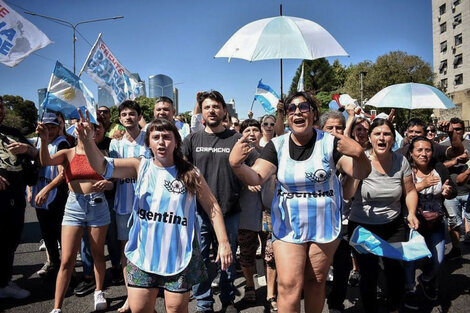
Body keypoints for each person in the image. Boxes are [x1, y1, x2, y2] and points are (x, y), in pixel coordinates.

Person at [229, 91, 371, 313]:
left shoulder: (331, 143)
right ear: (286, 118)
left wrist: (360, 154)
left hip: (323, 226)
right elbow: (256, 176)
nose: (297, 112)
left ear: (313, 114)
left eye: (303, 107)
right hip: (288, 227)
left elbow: (361, 172)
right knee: (287, 286)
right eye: (291, 109)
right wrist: (237, 165)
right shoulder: (276, 145)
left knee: (315, 282)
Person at [76, 114, 233, 313]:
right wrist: (88, 140)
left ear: (176, 142)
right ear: (148, 142)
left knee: (176, 309)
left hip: (178, 255)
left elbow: (212, 207)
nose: (161, 142)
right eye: (156, 137)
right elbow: (102, 166)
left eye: (167, 137)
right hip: (143, 254)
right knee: (139, 308)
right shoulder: (139, 166)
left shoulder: (190, 173)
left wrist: (224, 242)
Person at [183, 90, 256, 313]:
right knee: (202, 260)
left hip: (230, 210)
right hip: (199, 212)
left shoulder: (236, 138)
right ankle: (204, 303)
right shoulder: (192, 139)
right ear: (202, 112)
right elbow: (181, 169)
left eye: (216, 106)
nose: (212, 110)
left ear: (224, 110)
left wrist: (250, 180)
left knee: (228, 260)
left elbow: (255, 167)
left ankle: (227, 299)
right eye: (207, 107)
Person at [37, 118, 113, 313]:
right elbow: (45, 161)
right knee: (67, 259)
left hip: (98, 205)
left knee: (97, 254)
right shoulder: (67, 153)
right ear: (75, 132)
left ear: (95, 132)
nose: (85, 131)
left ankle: (98, 291)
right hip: (74, 206)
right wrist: (44, 141)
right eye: (80, 128)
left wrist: (108, 184)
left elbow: (113, 180)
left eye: (90, 128)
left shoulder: (102, 154)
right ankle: (57, 307)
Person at [346, 118, 419, 313]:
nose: (382, 137)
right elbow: (347, 195)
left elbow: (410, 191)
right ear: (370, 138)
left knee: (396, 271)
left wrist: (411, 213)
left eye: (386, 134)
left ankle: (394, 307)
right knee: (369, 274)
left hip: (393, 225)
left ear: (393, 140)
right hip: (362, 227)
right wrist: (357, 168)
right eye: (377, 133)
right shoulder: (362, 159)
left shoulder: (401, 161)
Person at [403, 136, 456, 310]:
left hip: (435, 223)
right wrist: (422, 185)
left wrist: (448, 191)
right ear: (411, 152)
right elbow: (399, 194)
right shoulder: (406, 170)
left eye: (428, 150)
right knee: (410, 259)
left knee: (439, 259)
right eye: (419, 150)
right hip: (413, 224)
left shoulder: (439, 168)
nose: (424, 154)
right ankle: (409, 290)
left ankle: (425, 280)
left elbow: (451, 189)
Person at [110, 100, 148, 312]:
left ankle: (150, 289)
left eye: (132, 113)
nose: (128, 117)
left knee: (148, 247)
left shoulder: (149, 138)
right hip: (123, 205)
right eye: (124, 114)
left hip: (147, 204)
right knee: (127, 251)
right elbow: (114, 171)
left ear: (138, 115)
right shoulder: (115, 143)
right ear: (120, 119)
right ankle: (130, 296)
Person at [0, 96, 38, 299]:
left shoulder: (14, 133)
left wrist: (28, 149)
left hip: (15, 196)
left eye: (1, 107)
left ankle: (4, 283)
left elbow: (37, 156)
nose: (0, 111)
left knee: (10, 240)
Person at [29, 112, 69, 278]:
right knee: (47, 234)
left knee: (61, 234)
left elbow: (63, 173)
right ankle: (53, 263)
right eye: (47, 127)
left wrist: (47, 189)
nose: (50, 131)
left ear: (59, 127)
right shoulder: (38, 142)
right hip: (40, 197)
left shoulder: (62, 144)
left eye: (53, 127)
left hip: (55, 197)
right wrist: (31, 189)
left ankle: (68, 271)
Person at [441, 117, 470, 260]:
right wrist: (455, 161)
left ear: (463, 130)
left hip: (468, 191)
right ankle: (457, 248)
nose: (456, 131)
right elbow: (438, 167)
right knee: (454, 223)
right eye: (453, 129)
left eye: (459, 129)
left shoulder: (469, 145)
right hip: (452, 192)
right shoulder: (444, 146)